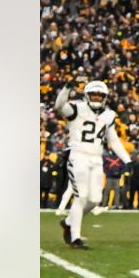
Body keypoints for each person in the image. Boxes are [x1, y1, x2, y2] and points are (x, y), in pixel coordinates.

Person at [53, 80, 131, 248]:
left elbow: (114, 141)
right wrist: (66, 87)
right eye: (93, 94)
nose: (96, 97)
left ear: (105, 97)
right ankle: (75, 237)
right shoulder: (77, 108)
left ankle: (68, 222)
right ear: (87, 95)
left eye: (99, 95)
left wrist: (127, 160)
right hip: (78, 155)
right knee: (81, 196)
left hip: (96, 158)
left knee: (95, 200)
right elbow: (59, 106)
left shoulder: (109, 115)